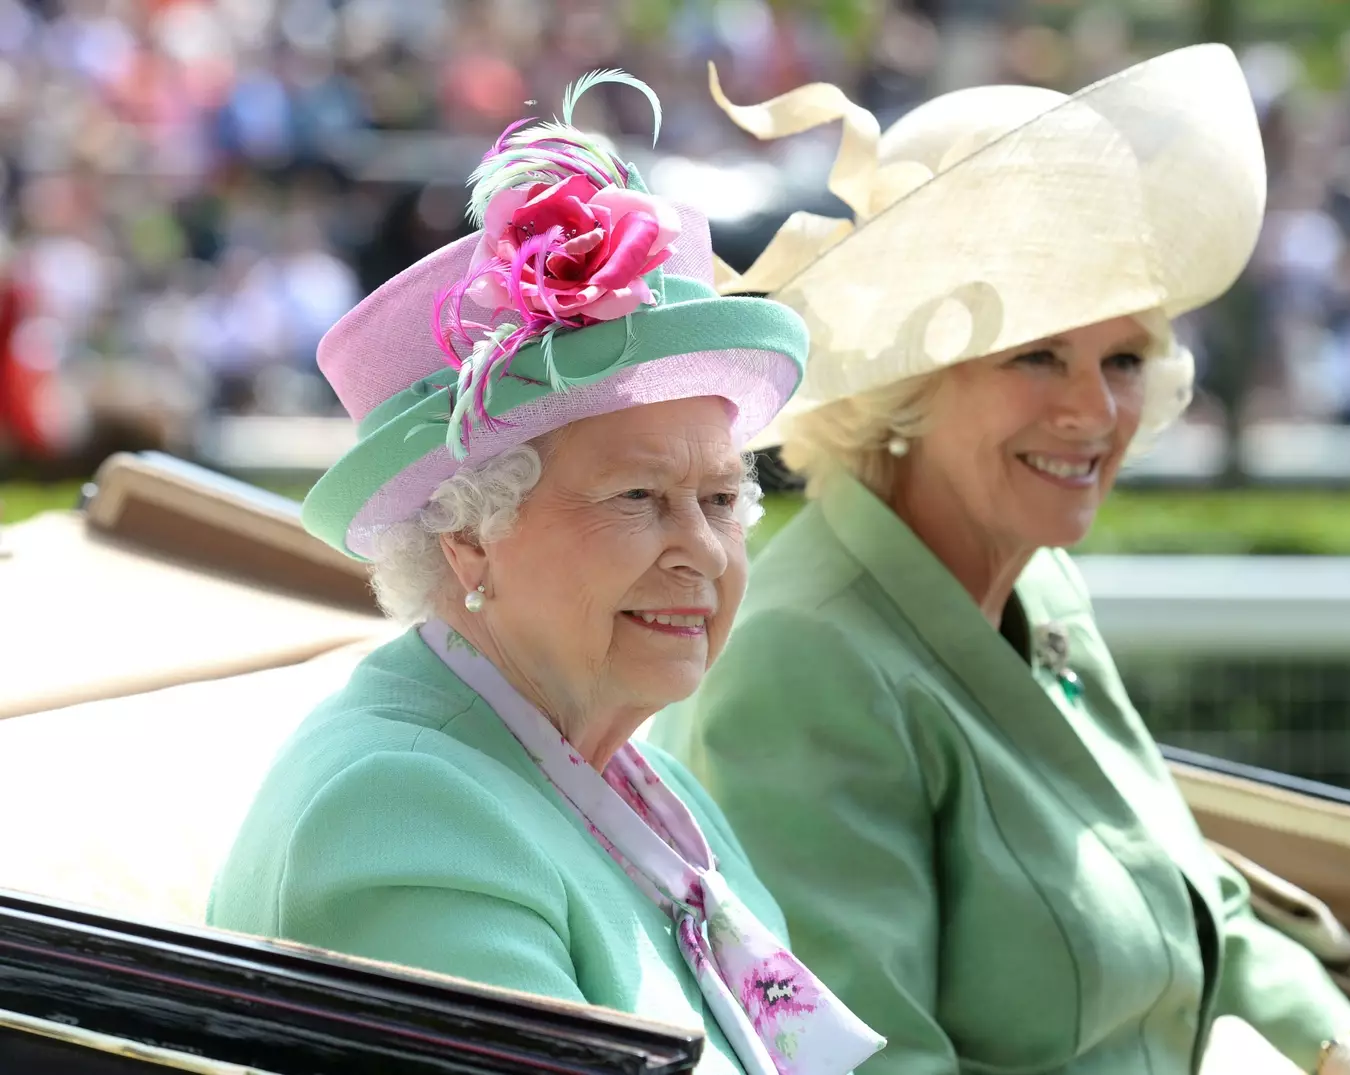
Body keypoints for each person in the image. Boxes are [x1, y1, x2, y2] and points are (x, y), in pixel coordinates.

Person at [648, 45, 1350, 1075]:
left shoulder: (1033, 581)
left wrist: (1344, 1045)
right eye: (1035, 355)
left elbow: (1196, 903)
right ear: (907, 377)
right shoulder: (806, 661)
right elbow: (865, 1066)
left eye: (1120, 359)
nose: (1095, 410)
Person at [208, 73, 883, 1075]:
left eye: (719, 498)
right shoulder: (401, 813)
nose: (700, 548)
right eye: (638, 498)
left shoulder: (646, 788)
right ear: (468, 537)